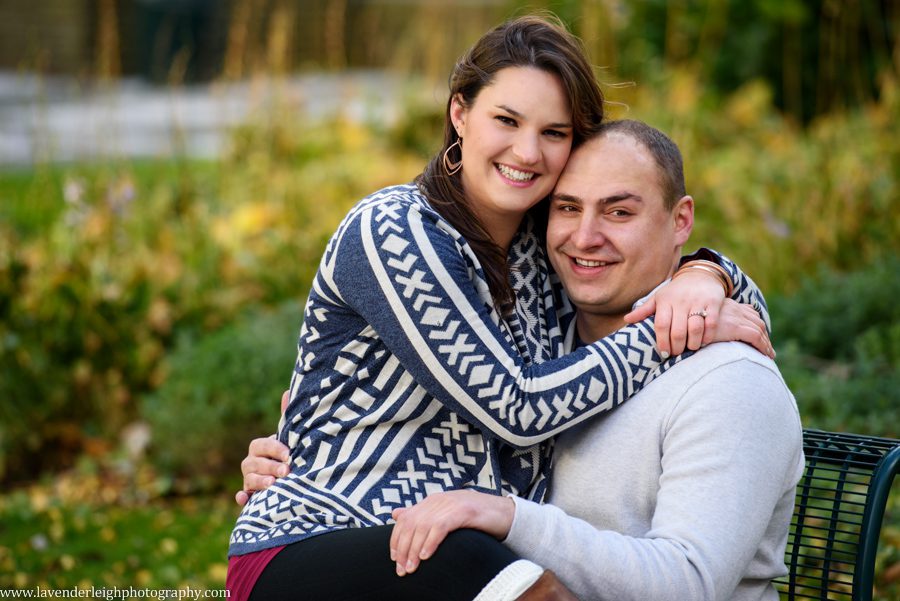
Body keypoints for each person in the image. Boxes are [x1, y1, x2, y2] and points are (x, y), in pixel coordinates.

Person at [228, 15, 773, 601]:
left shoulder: (548, 246)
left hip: (457, 546)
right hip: (323, 535)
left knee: (478, 558)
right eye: (506, 121)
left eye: (554, 132)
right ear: (460, 114)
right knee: (482, 564)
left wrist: (707, 276)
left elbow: (733, 310)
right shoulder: (394, 231)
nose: (527, 151)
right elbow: (516, 407)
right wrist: (672, 332)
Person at [385, 120, 804, 600]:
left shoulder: (729, 382)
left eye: (618, 212)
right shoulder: (532, 357)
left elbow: (688, 584)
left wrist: (509, 518)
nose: (585, 238)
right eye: (567, 208)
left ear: (681, 221)